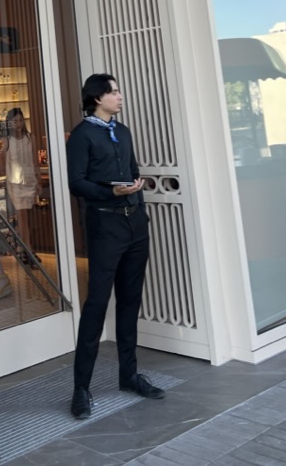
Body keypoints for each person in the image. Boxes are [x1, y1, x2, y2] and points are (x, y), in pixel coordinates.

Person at [66, 73, 164, 419]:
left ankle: (129, 375)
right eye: (114, 92)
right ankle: (81, 388)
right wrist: (110, 192)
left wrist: (138, 199)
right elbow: (76, 184)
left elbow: (133, 172)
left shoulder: (123, 131)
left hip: (134, 224)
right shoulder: (81, 136)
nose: (120, 96)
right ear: (97, 98)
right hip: (104, 226)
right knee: (96, 304)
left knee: (130, 301)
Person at [0, 108, 38, 257]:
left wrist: (38, 181)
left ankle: (27, 248)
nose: (19, 124)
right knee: (22, 216)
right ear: (9, 123)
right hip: (15, 183)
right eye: (15, 121)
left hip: (30, 181)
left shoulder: (30, 138)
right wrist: (4, 176)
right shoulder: (7, 140)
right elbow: (1, 161)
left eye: (21, 120)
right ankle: (27, 250)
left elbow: (35, 160)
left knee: (29, 217)